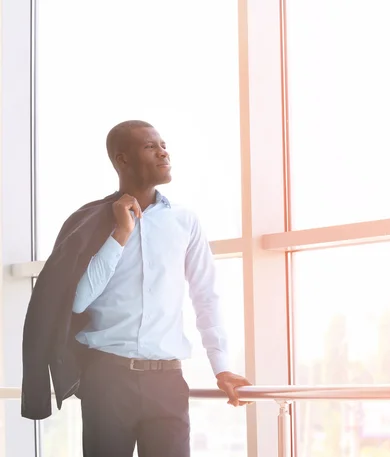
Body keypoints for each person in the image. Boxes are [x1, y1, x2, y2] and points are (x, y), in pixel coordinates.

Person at [23, 120, 251, 457]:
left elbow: (206, 295)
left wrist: (222, 368)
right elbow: (77, 301)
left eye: (163, 144)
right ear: (122, 159)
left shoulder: (184, 222)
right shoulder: (93, 222)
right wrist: (120, 234)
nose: (163, 151)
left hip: (168, 383)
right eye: (150, 146)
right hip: (107, 380)